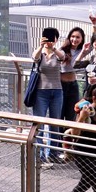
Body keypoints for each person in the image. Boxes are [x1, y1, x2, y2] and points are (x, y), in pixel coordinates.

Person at [30, 26, 65, 162]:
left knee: (55, 123)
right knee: (39, 123)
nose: (50, 40)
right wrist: (41, 46)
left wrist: (54, 48)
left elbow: (63, 58)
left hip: (57, 91)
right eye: (47, 37)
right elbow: (34, 58)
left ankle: (52, 154)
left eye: (52, 37)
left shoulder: (58, 52)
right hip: (40, 92)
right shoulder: (40, 52)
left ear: (56, 39)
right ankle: (39, 156)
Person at [58, 26, 87, 137]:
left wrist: (94, 24)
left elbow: (95, 40)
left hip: (73, 85)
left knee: (71, 115)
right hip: (61, 85)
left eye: (78, 37)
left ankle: (68, 144)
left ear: (82, 39)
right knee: (59, 115)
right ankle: (58, 146)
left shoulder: (82, 51)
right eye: (73, 36)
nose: (75, 39)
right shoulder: (63, 50)